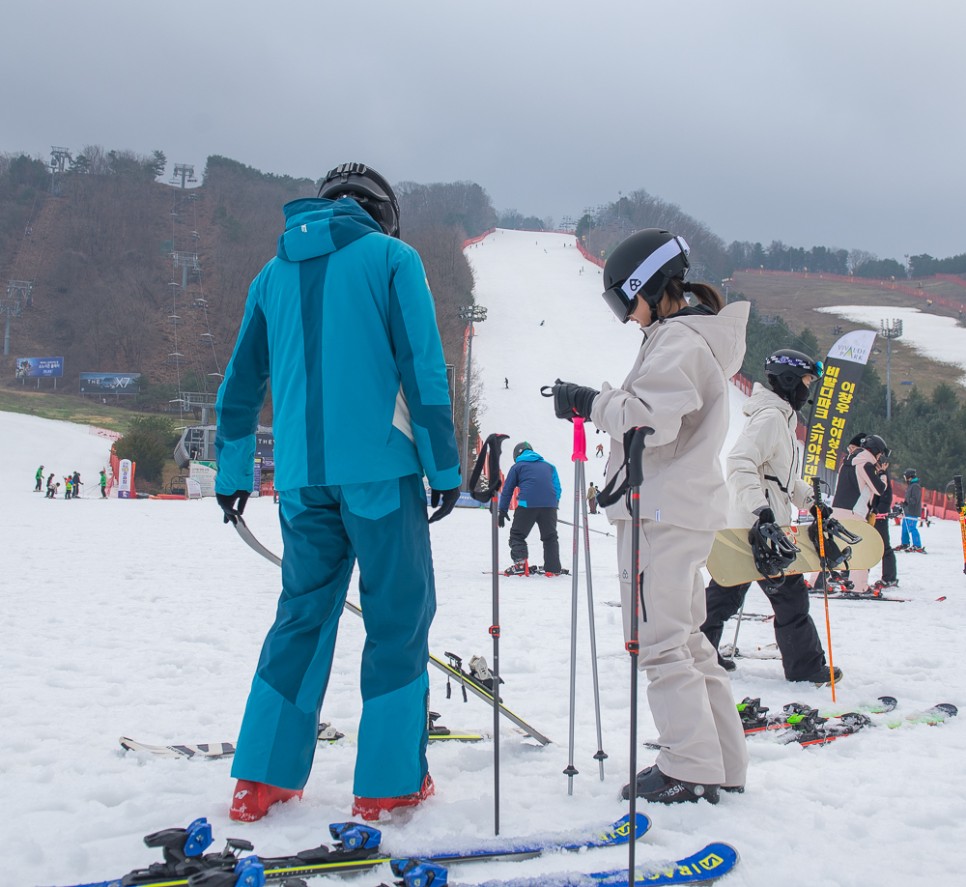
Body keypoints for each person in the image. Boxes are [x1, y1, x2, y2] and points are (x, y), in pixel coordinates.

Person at [214, 162, 461, 824]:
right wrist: (443, 466)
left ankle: (261, 778)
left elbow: (239, 385)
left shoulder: (271, 275)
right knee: (397, 618)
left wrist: (235, 473)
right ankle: (388, 783)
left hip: (299, 479)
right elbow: (423, 366)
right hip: (380, 472)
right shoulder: (392, 258)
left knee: (302, 614)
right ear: (383, 213)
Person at [550, 228, 749, 804]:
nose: (625, 317)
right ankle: (721, 762)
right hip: (678, 508)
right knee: (687, 641)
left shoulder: (680, 342)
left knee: (659, 642)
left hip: (658, 511)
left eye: (624, 302)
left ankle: (690, 766)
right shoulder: (685, 337)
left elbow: (647, 422)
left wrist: (590, 401)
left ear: (650, 286)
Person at [700, 349, 840, 685]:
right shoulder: (770, 419)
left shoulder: (780, 419)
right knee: (790, 596)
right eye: (807, 381)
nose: (809, 389)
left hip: (754, 525)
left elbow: (782, 480)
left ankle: (698, 654)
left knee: (725, 594)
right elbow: (739, 462)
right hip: (758, 529)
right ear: (790, 381)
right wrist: (760, 511)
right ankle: (805, 667)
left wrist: (811, 501)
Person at [830, 433, 889, 592]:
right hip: (854, 513)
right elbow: (879, 489)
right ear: (876, 451)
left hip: (836, 510)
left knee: (832, 546)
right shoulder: (865, 464)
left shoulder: (846, 462)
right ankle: (859, 587)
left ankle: (816, 582)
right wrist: (882, 474)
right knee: (862, 549)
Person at [497, 442, 563, 575]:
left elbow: (507, 489)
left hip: (527, 504)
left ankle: (520, 564)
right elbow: (557, 488)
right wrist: (552, 504)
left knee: (517, 535)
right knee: (550, 537)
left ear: (517, 455)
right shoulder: (550, 467)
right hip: (549, 505)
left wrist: (503, 510)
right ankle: (553, 568)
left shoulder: (517, 466)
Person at [868, 460, 899, 590]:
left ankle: (890, 577)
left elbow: (886, 498)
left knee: (884, 547)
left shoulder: (884, 477)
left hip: (879, 517)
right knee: (865, 547)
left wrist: (878, 512)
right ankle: (858, 575)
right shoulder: (874, 475)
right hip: (870, 515)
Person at [897, 468, 926, 553]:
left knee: (912, 528)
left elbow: (915, 499)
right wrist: (904, 503)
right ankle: (905, 543)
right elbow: (909, 499)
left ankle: (917, 545)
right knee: (905, 528)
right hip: (907, 511)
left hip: (913, 511)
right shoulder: (911, 485)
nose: (905, 478)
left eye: (905, 476)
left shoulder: (915, 486)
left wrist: (907, 503)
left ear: (909, 477)